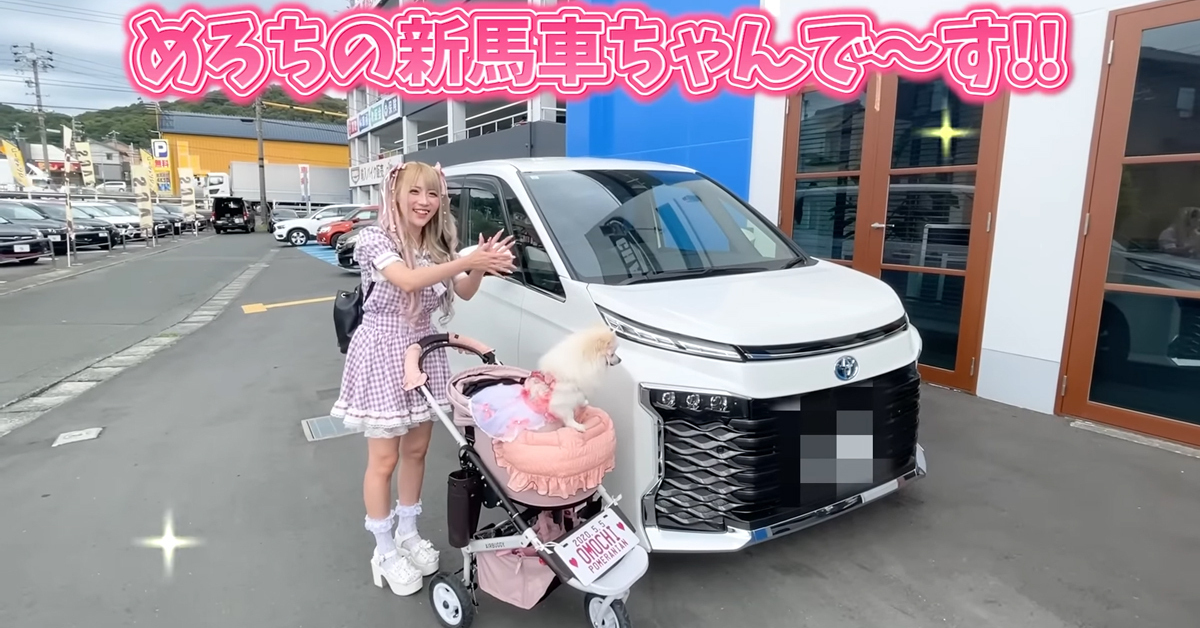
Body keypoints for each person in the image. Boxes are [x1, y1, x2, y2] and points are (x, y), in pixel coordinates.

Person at [331, 161, 516, 596]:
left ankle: (408, 534)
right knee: (384, 460)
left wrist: (480, 265)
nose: (424, 202)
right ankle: (383, 550)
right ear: (395, 194)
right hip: (383, 350)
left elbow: (463, 290)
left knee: (417, 451)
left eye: (433, 193)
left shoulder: (435, 244)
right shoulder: (375, 239)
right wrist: (467, 259)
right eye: (415, 192)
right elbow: (408, 280)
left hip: (423, 350)